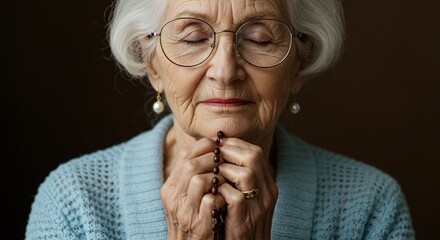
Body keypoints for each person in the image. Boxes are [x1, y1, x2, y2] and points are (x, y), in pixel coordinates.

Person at [26, 0, 415, 239]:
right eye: (194, 38)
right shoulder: (75, 200)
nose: (225, 70)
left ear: (299, 63)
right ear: (152, 63)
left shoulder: (367, 205)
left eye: (260, 38)